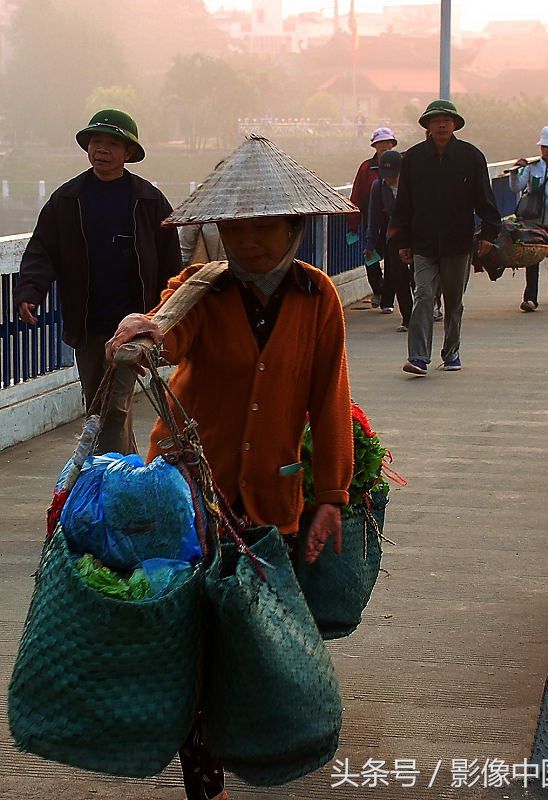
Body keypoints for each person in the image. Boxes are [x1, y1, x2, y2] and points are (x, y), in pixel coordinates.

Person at [105, 134, 355, 800]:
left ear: (294, 226)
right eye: (235, 227)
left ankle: (238, 731)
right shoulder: (198, 289)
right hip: (188, 487)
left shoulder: (316, 298)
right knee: (189, 623)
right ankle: (196, 747)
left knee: (251, 626)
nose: (247, 241)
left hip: (269, 492)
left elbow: (330, 400)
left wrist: (332, 495)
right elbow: (167, 329)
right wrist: (141, 329)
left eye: (263, 227)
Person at [15, 109, 181, 453]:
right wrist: (30, 292)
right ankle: (126, 475)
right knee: (99, 407)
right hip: (88, 325)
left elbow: (170, 263)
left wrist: (165, 316)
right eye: (96, 142)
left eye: (111, 143)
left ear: (128, 153)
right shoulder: (67, 199)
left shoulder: (149, 201)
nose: (101, 150)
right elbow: (42, 249)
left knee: (114, 408)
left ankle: (110, 484)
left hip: (133, 325)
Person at [393, 99, 501, 376]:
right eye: (436, 120)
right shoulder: (414, 159)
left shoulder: (471, 157)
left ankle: (451, 351)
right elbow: (403, 203)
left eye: (447, 120)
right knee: (424, 296)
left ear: (455, 125)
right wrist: (402, 241)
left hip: (458, 241)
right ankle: (418, 357)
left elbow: (485, 199)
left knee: (454, 301)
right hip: (422, 242)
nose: (441, 124)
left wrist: (488, 233)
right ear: (427, 126)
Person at [509, 125, 548, 311]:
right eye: (544, 147)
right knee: (532, 260)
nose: (546, 150)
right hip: (533, 222)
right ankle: (530, 299)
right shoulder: (532, 167)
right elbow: (516, 187)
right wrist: (514, 172)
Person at [347, 126, 397, 307]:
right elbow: (357, 195)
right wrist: (353, 225)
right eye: (380, 143)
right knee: (371, 258)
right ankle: (377, 289)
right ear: (375, 146)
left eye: (387, 143)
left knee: (393, 262)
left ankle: (387, 301)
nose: (384, 146)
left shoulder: (400, 164)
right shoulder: (367, 168)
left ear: (392, 144)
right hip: (372, 220)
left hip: (394, 221)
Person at [364, 150, 412, 330]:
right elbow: (373, 217)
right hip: (395, 235)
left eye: (394, 175)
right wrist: (370, 244)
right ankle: (408, 318)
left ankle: (430, 308)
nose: (390, 179)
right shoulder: (378, 187)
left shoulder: (413, 184)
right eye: (386, 175)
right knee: (399, 277)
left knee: (419, 276)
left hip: (417, 233)